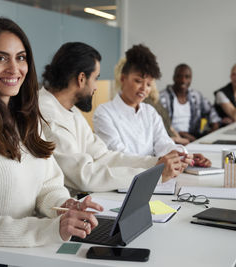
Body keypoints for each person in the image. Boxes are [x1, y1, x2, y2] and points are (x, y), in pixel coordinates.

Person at [0, 17, 102, 267]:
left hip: (25, 252)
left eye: (20, 57)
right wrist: (49, 229)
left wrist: (64, 206)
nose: (14, 68)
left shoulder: (26, 117)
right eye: (0, 58)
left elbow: (47, 185)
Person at [39, 42, 192, 196]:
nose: (96, 87)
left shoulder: (70, 109)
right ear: (81, 79)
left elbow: (103, 156)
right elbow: (85, 176)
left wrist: (156, 164)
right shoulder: (48, 115)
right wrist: (155, 174)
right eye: (96, 78)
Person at [93, 45, 210, 167]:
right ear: (123, 79)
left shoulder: (149, 112)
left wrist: (181, 155)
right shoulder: (104, 113)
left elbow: (163, 143)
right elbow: (120, 155)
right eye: (138, 81)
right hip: (124, 181)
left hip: (156, 176)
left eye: (149, 84)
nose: (144, 88)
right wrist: (159, 161)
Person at [113, 58, 190, 145]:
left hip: (170, 143)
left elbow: (169, 127)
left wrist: (181, 140)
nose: (144, 86)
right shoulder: (138, 103)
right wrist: (175, 140)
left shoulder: (154, 99)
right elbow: (147, 141)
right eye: (138, 80)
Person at [160, 64, 221, 142]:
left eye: (187, 77)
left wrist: (212, 133)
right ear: (174, 77)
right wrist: (179, 135)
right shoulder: (162, 97)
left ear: (191, 79)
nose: (183, 80)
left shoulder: (196, 95)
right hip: (170, 138)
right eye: (179, 76)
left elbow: (211, 112)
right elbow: (159, 125)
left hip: (194, 137)